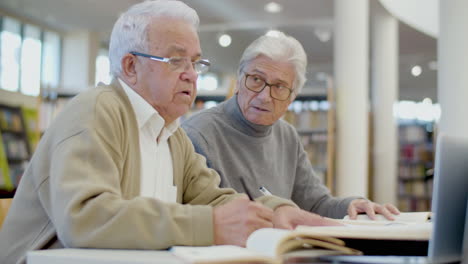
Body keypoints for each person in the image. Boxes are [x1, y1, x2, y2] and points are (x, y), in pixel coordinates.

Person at [0, 1, 341, 264]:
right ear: (131, 66)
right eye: (176, 61)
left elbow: (216, 196)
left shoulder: (171, 132)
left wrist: (274, 210)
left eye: (195, 62)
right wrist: (209, 226)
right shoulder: (96, 110)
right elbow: (86, 217)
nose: (192, 75)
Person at [182, 31, 400, 220]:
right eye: (256, 79)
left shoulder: (287, 136)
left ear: (291, 98)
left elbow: (315, 204)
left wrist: (350, 206)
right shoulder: (198, 135)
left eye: (279, 87)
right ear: (239, 79)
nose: (264, 96)